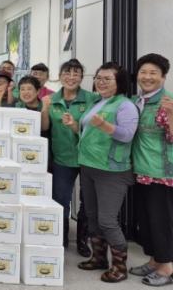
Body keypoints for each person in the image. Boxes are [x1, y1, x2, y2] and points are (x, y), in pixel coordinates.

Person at [65, 62, 138, 283]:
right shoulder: (97, 102)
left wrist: (105, 126)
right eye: (98, 78)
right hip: (89, 166)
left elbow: (127, 135)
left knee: (107, 220)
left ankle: (120, 267)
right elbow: (89, 132)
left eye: (107, 78)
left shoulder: (125, 105)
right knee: (93, 217)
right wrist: (74, 125)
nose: (101, 82)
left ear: (119, 82)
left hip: (111, 170)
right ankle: (99, 258)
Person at [40, 58, 96, 256]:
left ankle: (82, 240)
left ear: (82, 77)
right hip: (62, 158)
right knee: (61, 200)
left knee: (88, 201)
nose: (71, 77)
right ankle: (61, 238)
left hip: (89, 158)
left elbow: (96, 130)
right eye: (67, 73)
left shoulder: (92, 99)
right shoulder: (51, 99)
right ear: (59, 76)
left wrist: (75, 126)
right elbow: (45, 127)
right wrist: (44, 109)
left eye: (76, 74)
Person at [129, 53, 173, 286]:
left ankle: (167, 268)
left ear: (163, 77)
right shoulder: (139, 101)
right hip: (141, 171)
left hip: (161, 173)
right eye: (143, 72)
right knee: (146, 221)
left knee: (161, 222)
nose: (147, 77)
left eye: (153, 73)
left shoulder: (167, 102)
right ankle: (155, 261)